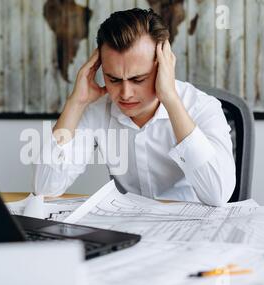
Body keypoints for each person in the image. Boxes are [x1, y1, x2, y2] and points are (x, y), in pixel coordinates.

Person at [33, 8, 236, 206]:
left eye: (138, 79)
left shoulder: (203, 107)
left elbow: (218, 195)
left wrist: (171, 100)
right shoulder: (97, 109)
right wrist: (75, 103)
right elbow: (45, 190)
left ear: (163, 65)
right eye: (113, 79)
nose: (125, 93)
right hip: (125, 229)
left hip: (191, 231)